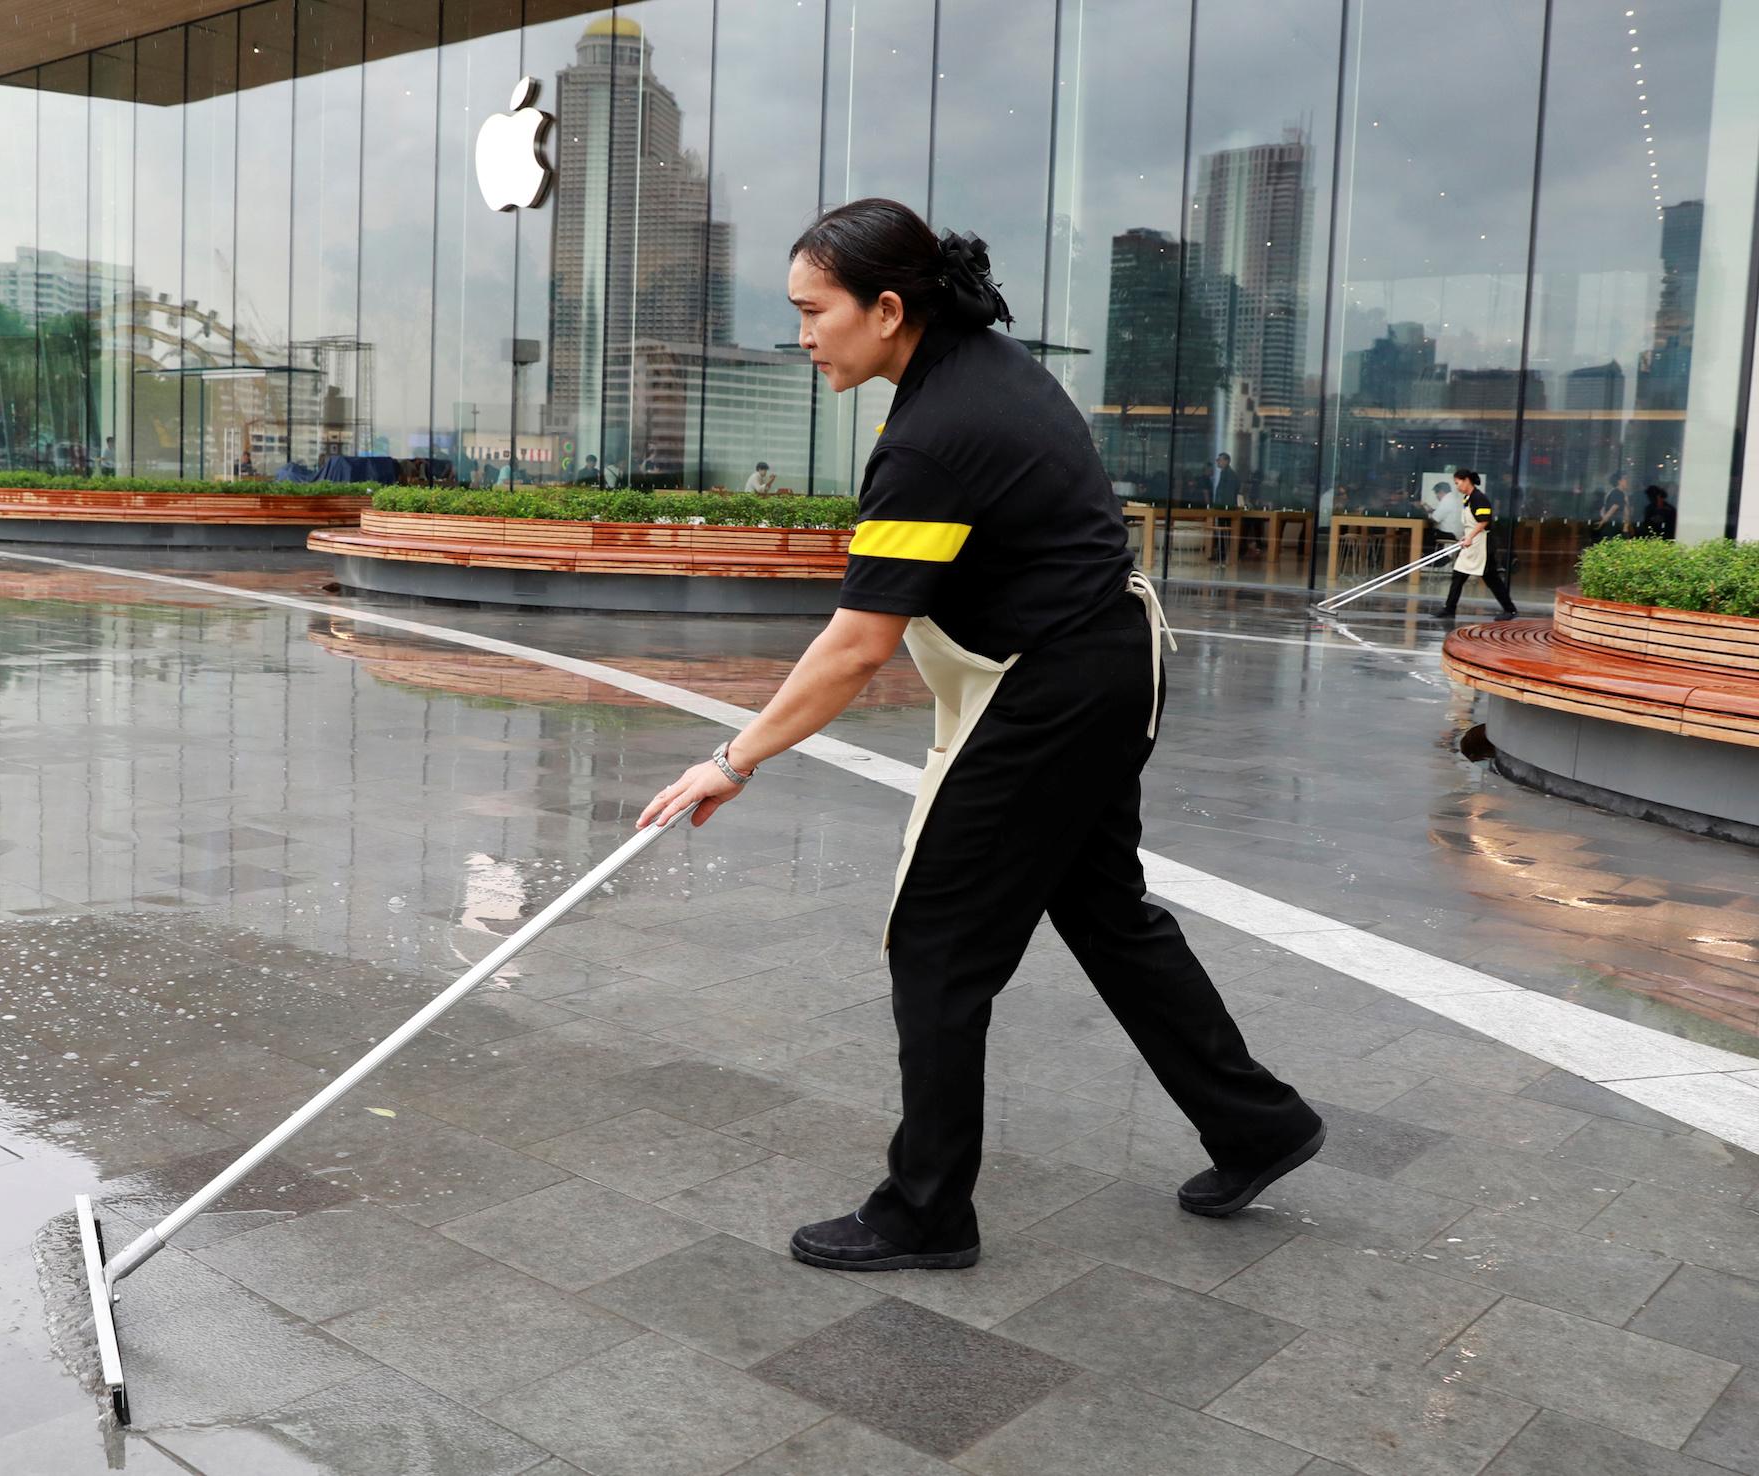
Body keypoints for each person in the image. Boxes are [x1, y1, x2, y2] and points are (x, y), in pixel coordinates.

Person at [636, 199, 1323, 1273]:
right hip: (1100, 666)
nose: (803, 335)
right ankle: (1257, 1124)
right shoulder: (974, 369)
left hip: (1049, 694)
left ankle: (925, 1211)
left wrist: (734, 757)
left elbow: (857, 647)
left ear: (888, 308)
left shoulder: (932, 436)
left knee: (937, 944)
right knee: (1101, 910)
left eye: (813, 313)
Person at [1434, 467, 1518, 622]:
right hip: (1473, 544)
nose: (1457, 486)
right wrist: (1466, 537)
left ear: (1467, 480)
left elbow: (1484, 521)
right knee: (1458, 575)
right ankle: (1449, 608)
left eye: (1458, 483)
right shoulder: (1469, 498)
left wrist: (1470, 537)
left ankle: (1510, 609)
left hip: (1482, 546)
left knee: (1492, 579)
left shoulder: (1479, 498)